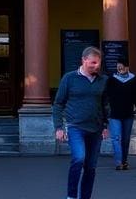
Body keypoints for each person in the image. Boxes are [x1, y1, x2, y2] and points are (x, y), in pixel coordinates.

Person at [52, 46, 109, 199]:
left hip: (95, 128)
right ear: (84, 60)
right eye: (93, 63)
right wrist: (58, 127)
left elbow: (105, 104)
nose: (96, 66)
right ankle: (71, 196)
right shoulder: (69, 78)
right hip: (75, 126)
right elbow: (58, 104)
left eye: (98, 63)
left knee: (91, 167)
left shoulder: (103, 80)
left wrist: (105, 125)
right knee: (78, 158)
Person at [106, 59, 136, 171]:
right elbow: (106, 96)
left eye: (122, 67)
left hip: (128, 113)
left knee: (125, 139)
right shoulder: (112, 79)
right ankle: (118, 162)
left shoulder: (133, 79)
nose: (119, 69)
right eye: (118, 67)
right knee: (116, 138)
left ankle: (124, 161)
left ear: (127, 67)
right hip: (114, 113)